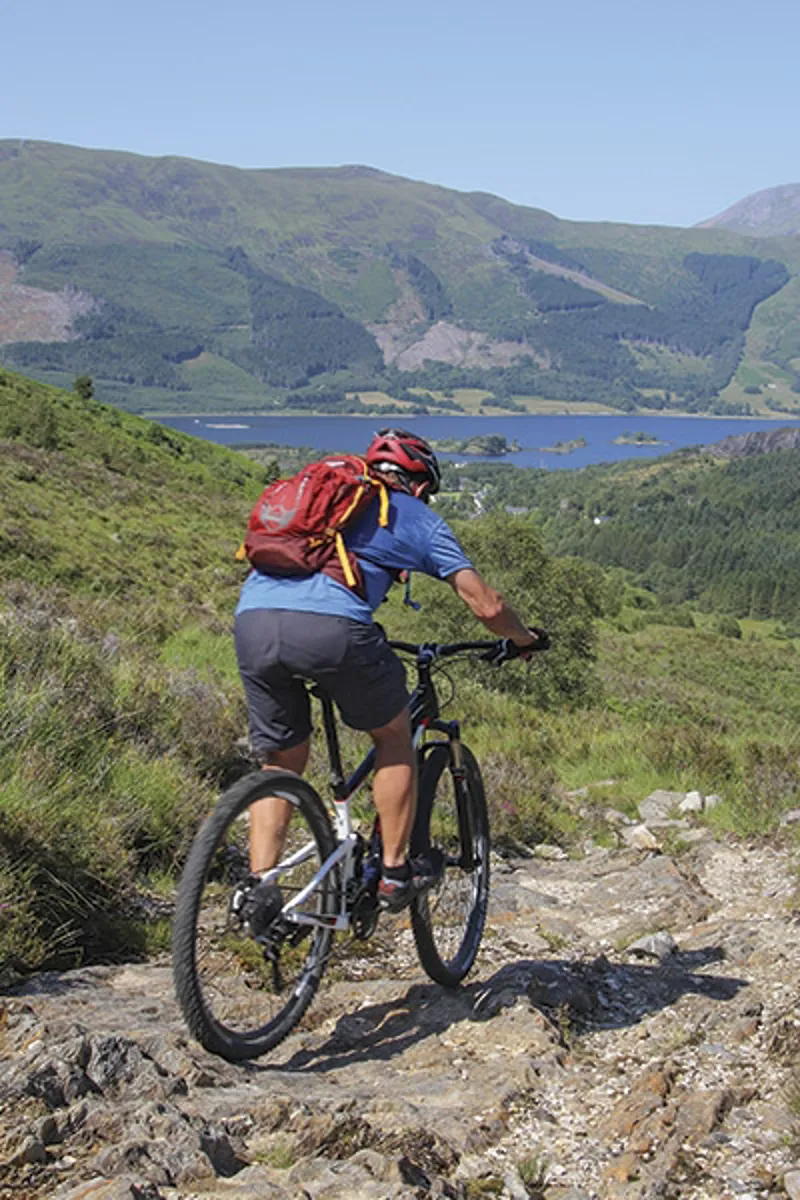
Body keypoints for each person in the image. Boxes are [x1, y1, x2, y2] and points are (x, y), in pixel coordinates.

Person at [234, 428, 544, 911]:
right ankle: (395, 873)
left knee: (281, 760)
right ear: (420, 484)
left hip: (252, 622)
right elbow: (486, 604)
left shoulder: (323, 498)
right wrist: (524, 639)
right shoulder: (413, 515)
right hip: (333, 631)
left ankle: (260, 890)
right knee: (394, 736)